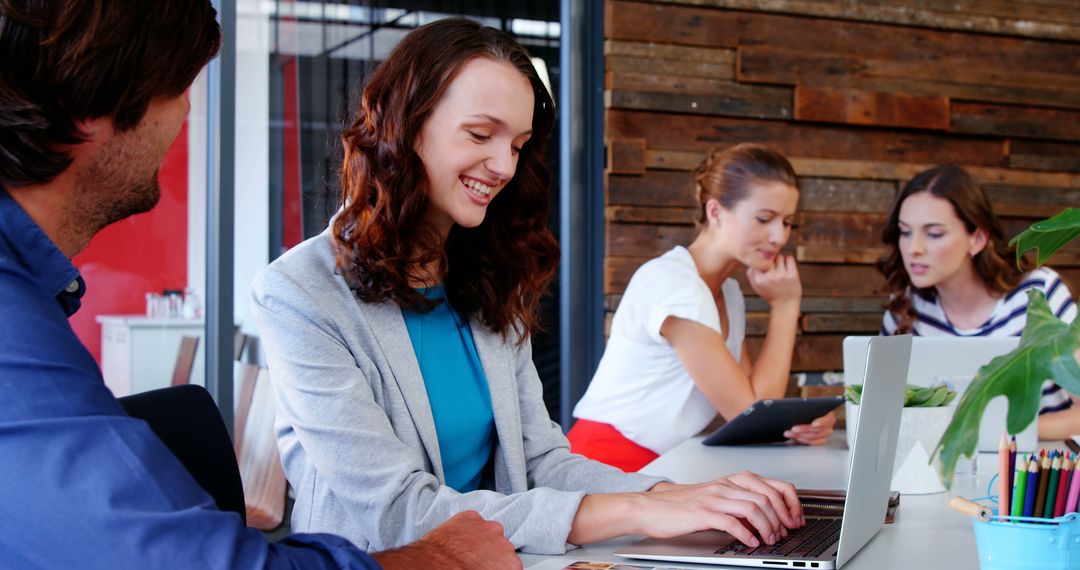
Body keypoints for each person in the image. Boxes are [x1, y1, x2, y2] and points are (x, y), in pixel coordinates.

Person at [250, 18, 806, 558]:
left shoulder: (486, 275)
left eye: (517, 145)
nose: (502, 166)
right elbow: (399, 514)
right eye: (480, 134)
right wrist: (641, 512)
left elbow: (540, 460)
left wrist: (666, 495)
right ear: (406, 124)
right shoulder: (300, 294)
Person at [0, 2, 519, 568]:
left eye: (517, 145)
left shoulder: (31, 299)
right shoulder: (12, 321)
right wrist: (437, 559)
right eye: (178, 87)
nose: (187, 110)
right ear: (94, 99)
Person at [568, 144, 837, 472]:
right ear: (715, 212)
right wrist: (785, 306)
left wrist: (802, 422)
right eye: (764, 219)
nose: (779, 236)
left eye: (788, 222)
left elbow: (757, 404)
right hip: (605, 465)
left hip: (662, 467)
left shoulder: (728, 292)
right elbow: (748, 413)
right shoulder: (675, 285)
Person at [878, 164, 1080, 439]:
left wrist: (998, 432)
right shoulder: (906, 308)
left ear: (978, 238)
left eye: (934, 233)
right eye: (905, 232)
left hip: (1035, 471)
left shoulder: (1038, 293)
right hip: (946, 475)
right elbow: (885, 413)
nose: (914, 248)